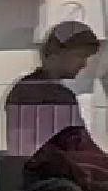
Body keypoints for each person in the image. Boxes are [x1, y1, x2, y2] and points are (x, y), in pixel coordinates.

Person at [5, 21, 101, 157]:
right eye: (79, 55)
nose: (84, 64)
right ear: (55, 53)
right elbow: (81, 149)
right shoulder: (54, 95)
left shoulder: (23, 88)